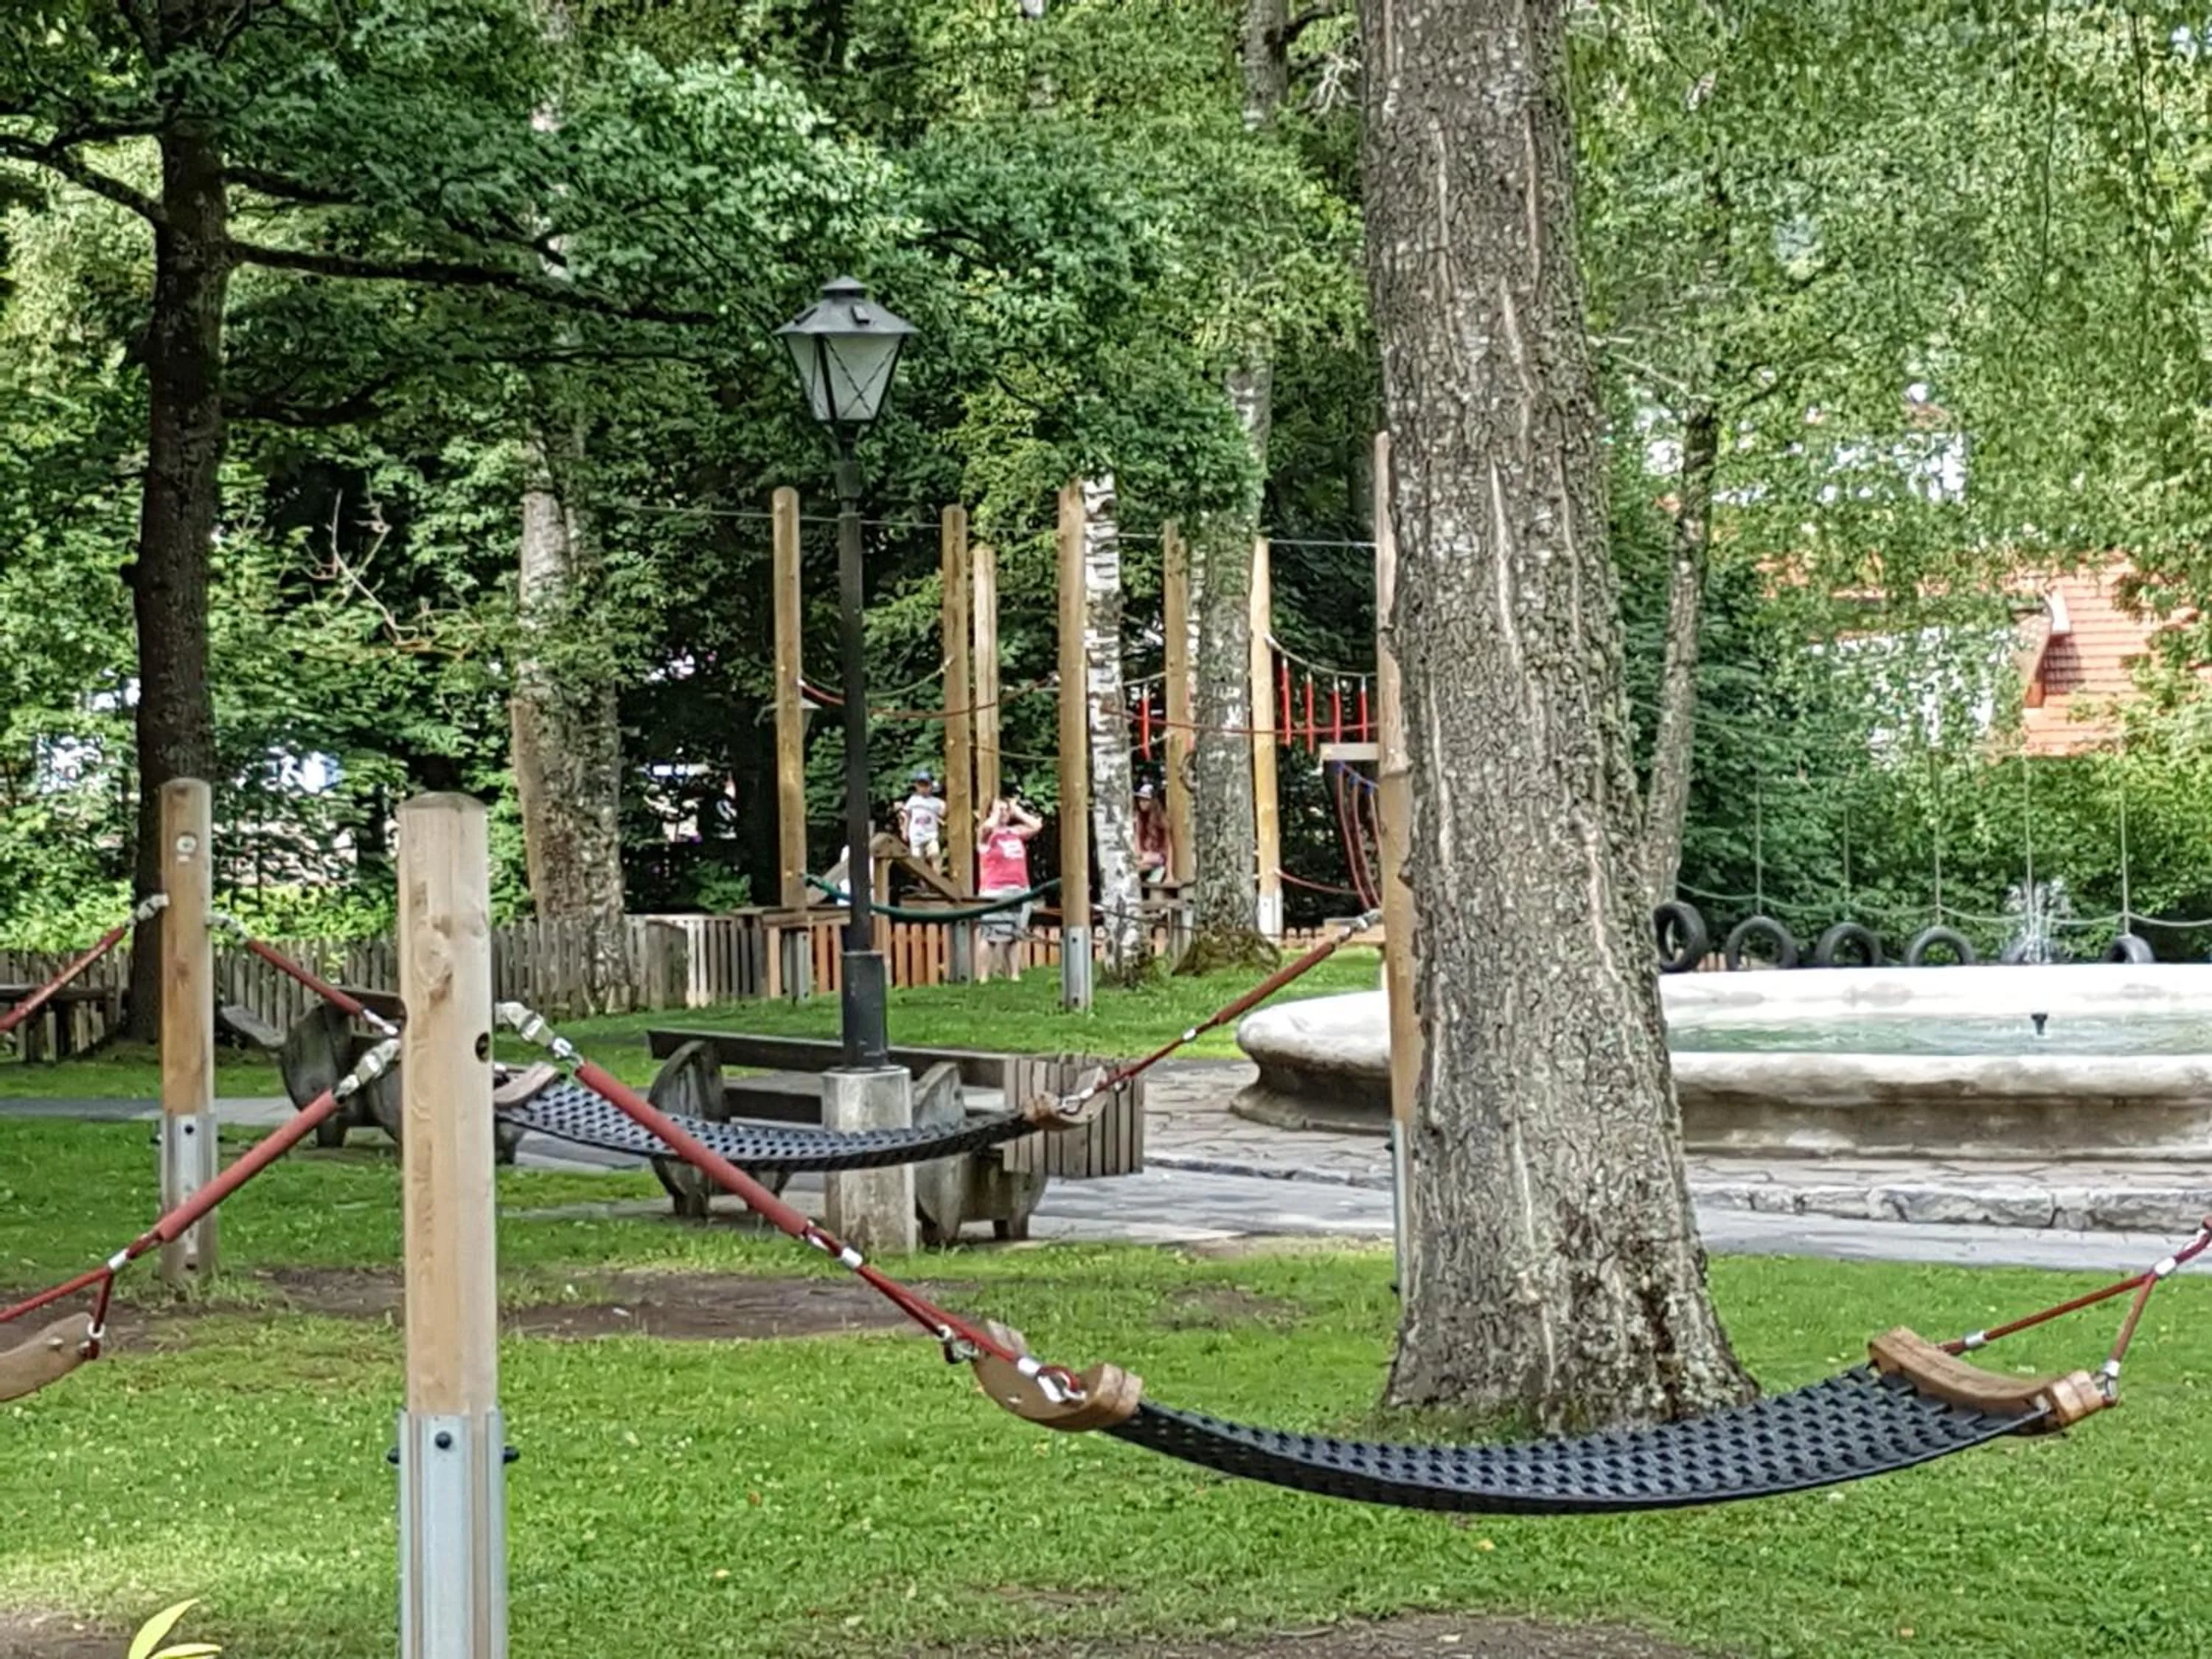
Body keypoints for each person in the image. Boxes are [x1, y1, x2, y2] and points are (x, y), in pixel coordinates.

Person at [976, 796, 1043, 981]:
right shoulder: (986, 835)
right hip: (995, 890)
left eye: (1006, 810)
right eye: (999, 810)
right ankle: (984, 977)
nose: (1003, 814)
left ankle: (1014, 974)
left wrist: (1018, 812)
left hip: (1019, 889)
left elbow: (1036, 826)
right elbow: (987, 828)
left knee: (1015, 935)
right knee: (990, 935)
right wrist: (995, 814)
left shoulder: (1015, 832)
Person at [897, 769, 946, 868]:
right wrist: (904, 831)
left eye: (926, 785)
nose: (923, 788)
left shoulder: (936, 802)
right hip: (916, 835)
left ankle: (936, 878)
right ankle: (922, 882)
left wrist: (945, 809)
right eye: (921, 785)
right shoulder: (913, 800)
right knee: (917, 860)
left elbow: (943, 813)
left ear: (931, 786)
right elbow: (907, 816)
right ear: (917, 786)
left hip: (930, 835)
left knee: (935, 854)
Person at [1134, 780, 1169, 882]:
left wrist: (1169, 872)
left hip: (1158, 856)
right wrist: (1138, 853)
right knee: (1136, 862)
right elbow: (1137, 838)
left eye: (1145, 800)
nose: (1142, 803)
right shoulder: (1140, 818)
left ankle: (1158, 870)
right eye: (1140, 800)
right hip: (1144, 854)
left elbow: (1168, 846)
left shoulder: (1161, 820)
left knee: (1139, 863)